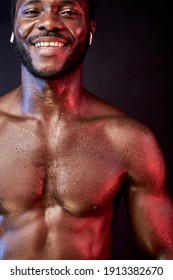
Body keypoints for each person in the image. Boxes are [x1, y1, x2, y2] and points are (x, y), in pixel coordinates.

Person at [0, 0, 173, 260]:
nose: (48, 22)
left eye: (68, 12)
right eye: (32, 11)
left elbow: (166, 255)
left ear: (90, 31)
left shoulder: (129, 140)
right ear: (14, 28)